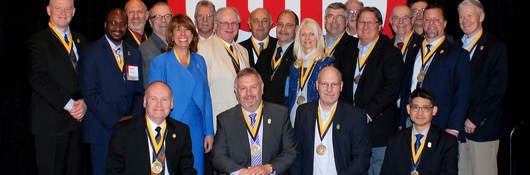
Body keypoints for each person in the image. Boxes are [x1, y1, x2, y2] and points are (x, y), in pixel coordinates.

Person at [334, 7, 403, 175]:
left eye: (370, 22)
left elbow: (392, 88)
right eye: (361, 22)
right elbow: (338, 83)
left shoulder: (390, 51)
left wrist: (368, 114)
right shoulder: (346, 50)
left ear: (379, 26)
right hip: (349, 127)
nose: (365, 26)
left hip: (378, 127)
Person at [78, 8, 145, 175]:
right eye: (113, 23)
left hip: (129, 130)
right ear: (105, 25)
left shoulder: (134, 54)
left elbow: (139, 91)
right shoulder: (91, 53)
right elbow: (90, 93)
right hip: (102, 130)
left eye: (122, 24)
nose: (118, 28)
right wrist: (117, 120)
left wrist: (132, 119)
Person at [27, 0, 89, 174]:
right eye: (58, 8)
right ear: (48, 10)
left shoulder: (81, 40)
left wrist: (84, 102)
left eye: (68, 8)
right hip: (50, 126)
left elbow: (89, 77)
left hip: (78, 124)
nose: (63, 12)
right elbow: (38, 79)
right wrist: (70, 105)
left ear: (74, 11)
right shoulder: (37, 41)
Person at [148, 14, 214, 175]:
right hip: (170, 124)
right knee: (170, 168)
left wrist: (209, 132)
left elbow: (206, 99)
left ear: (193, 35)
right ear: (171, 35)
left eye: (187, 30)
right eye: (178, 30)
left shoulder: (200, 61)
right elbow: (153, 100)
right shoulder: (160, 62)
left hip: (196, 128)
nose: (183, 35)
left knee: (195, 168)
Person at [399, 5, 471, 142]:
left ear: (444, 24)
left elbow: (463, 93)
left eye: (436, 20)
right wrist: (402, 121)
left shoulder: (458, 54)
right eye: (427, 20)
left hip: (442, 125)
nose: (431, 23)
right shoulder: (413, 50)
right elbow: (405, 87)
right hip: (411, 121)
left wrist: (454, 127)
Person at [456, 0, 509, 174]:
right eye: (461, 17)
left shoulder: (495, 48)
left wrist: (475, 118)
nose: (465, 20)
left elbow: (497, 88)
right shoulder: (455, 47)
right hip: (457, 129)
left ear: (482, 16)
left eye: (469, 15)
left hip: (482, 128)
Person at [212, 67, 297, 175]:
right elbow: (218, 157)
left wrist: (269, 168)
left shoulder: (280, 115)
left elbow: (290, 152)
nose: (249, 93)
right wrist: (241, 172)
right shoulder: (225, 119)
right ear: (236, 92)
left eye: (253, 87)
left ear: (262, 88)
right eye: (243, 88)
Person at [290, 66, 370, 175]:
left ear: (341, 86)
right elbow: (297, 153)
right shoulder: (303, 112)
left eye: (334, 84)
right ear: (317, 85)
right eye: (324, 84)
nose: (329, 89)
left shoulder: (355, 116)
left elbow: (362, 160)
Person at [106, 81, 197, 175]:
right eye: (153, 99)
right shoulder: (123, 131)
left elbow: (187, 169)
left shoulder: (181, 131)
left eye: (164, 99)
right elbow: (113, 171)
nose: (159, 104)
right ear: (145, 102)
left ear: (172, 104)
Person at [380, 87, 458, 175]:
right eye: (415, 107)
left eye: (426, 108)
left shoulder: (447, 142)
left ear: (434, 110)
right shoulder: (396, 140)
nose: (420, 113)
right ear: (408, 109)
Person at [197, 7, 250, 130]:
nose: (230, 27)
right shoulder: (203, 49)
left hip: (243, 121)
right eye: (225, 23)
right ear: (215, 25)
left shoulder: (243, 51)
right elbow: (202, 93)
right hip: (218, 123)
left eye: (234, 23)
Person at [286, 18, 334, 127]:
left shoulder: (326, 64)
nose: (307, 38)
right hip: (293, 121)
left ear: (318, 38)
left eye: (311, 34)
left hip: (316, 121)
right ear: (298, 38)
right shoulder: (294, 67)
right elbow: (287, 96)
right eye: (303, 34)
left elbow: (331, 97)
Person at [254, 9, 299, 105]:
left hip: (286, 113)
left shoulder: (299, 56)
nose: (283, 29)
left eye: (289, 25)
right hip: (263, 111)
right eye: (280, 24)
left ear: (297, 29)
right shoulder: (264, 54)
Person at [139, 1, 172, 87]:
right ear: (150, 22)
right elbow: (148, 87)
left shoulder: (179, 46)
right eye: (157, 17)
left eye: (167, 16)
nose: (163, 20)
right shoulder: (144, 50)